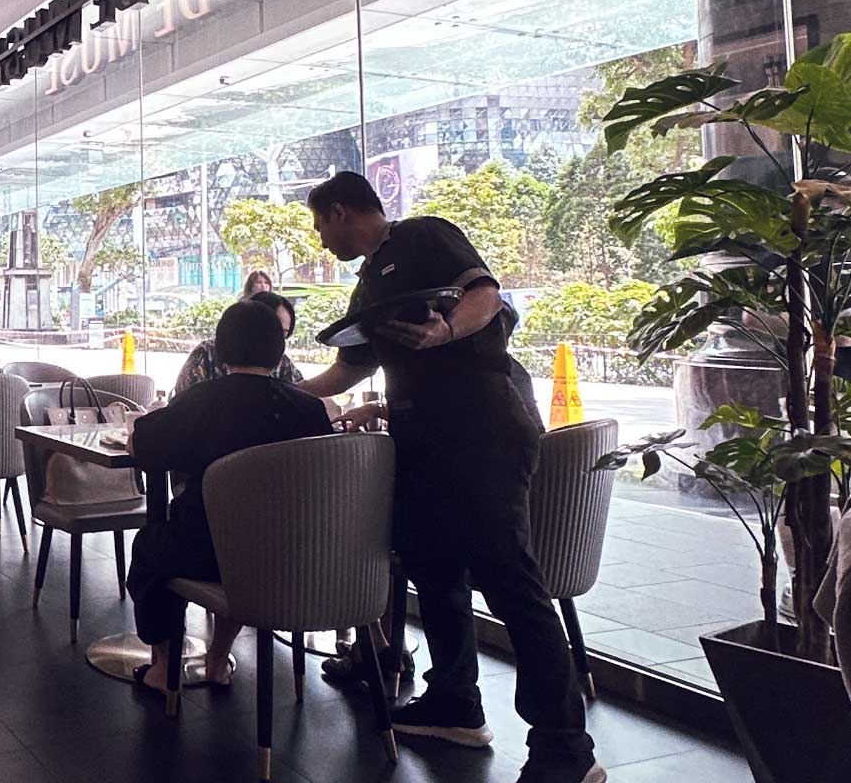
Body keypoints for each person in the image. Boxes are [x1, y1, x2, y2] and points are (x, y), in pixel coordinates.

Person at [296, 172, 600, 783]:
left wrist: (444, 330)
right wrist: (277, 395)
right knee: (433, 572)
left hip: (479, 430)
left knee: (512, 584)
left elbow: (485, 293)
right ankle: (454, 702)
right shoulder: (368, 282)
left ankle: (566, 750)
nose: (320, 240)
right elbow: (346, 369)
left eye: (320, 225)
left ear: (339, 211)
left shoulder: (423, 236)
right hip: (425, 440)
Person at [126, 300, 333, 691]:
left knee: (150, 549)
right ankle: (218, 658)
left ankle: (164, 668)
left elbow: (143, 445)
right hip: (299, 554)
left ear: (221, 350)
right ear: (280, 351)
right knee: (246, 553)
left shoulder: (203, 400)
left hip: (211, 552)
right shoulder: (308, 409)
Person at [172, 289, 303, 397]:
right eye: (273, 329)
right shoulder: (206, 354)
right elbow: (183, 401)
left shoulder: (281, 360)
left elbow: (298, 390)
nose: (276, 340)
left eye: (283, 334)